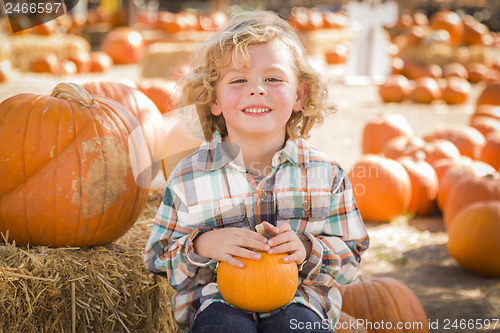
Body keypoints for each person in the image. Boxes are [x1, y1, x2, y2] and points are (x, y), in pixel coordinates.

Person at [144, 10, 369, 333]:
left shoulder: (325, 175)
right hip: (215, 304)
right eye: (238, 80)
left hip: (299, 303)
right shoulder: (189, 176)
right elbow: (157, 256)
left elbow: (352, 256)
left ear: (299, 95)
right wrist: (203, 244)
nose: (257, 89)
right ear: (214, 100)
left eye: (273, 79)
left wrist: (307, 249)